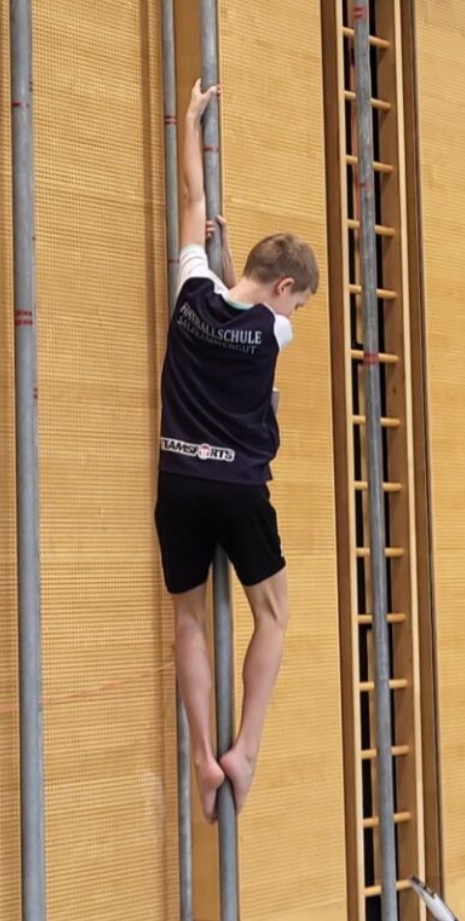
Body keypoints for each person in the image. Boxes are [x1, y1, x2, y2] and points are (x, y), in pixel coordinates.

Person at [155, 80, 319, 822]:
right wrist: (249, 285)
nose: (295, 315)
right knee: (273, 615)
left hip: (178, 479)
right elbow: (254, 308)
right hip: (239, 488)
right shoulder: (273, 331)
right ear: (283, 288)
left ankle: (201, 753)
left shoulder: (190, 291)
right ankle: (244, 748)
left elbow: (192, 195)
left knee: (189, 619)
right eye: (298, 301)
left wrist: (191, 118)